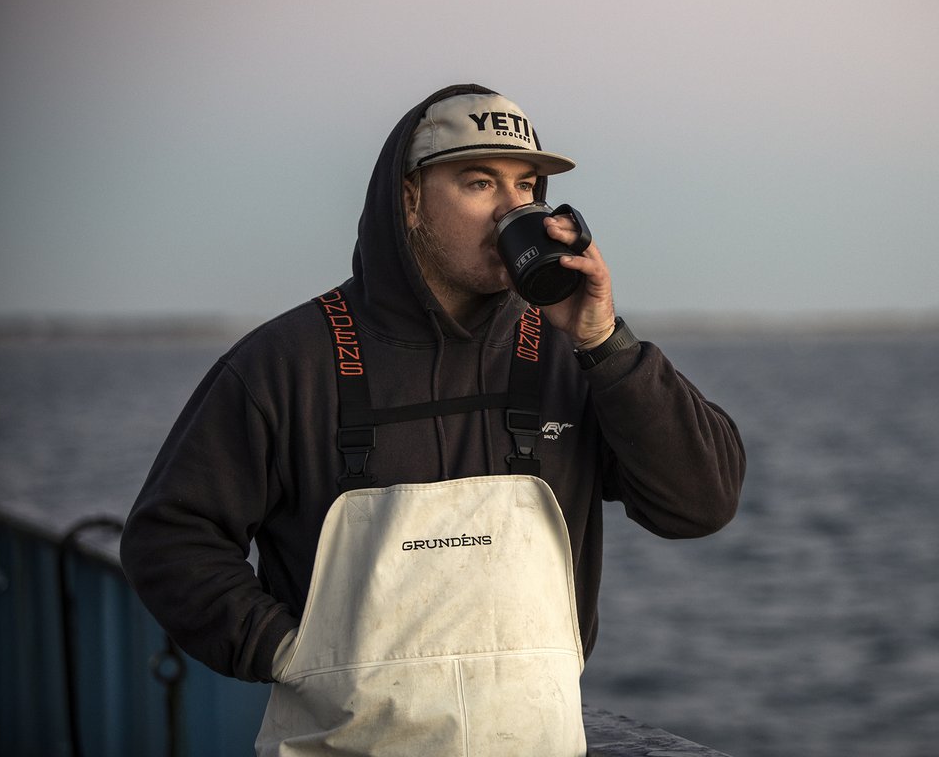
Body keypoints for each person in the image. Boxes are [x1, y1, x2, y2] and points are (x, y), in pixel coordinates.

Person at [120, 83, 746, 756]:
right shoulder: (289, 362)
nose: (514, 211)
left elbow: (701, 502)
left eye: (528, 188)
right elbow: (169, 539)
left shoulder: (572, 357)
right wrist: (287, 650)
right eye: (479, 183)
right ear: (410, 198)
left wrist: (604, 342)